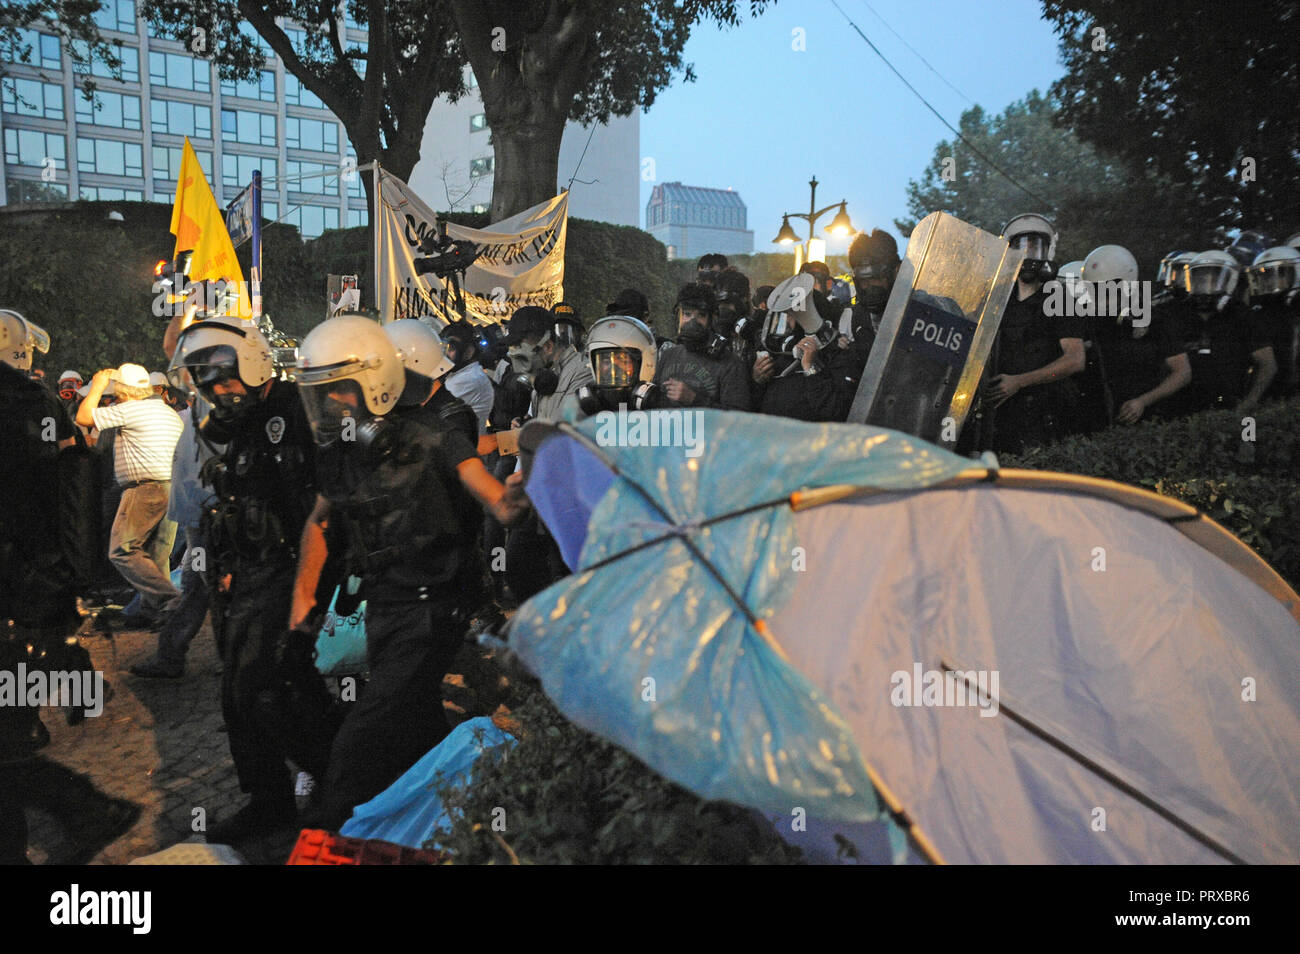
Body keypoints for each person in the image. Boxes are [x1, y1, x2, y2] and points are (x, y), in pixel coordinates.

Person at [286, 314, 529, 831]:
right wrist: (303, 601)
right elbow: (319, 522)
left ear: (374, 383)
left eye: (338, 390)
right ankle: (484, 801)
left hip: (432, 612)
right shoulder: (343, 452)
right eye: (320, 393)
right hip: (383, 609)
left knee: (360, 743)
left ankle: (331, 833)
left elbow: (496, 503)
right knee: (417, 726)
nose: (328, 405)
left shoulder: (438, 436)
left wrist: (516, 495)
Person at [167, 317, 336, 842]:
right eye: (205, 381)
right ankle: (271, 798)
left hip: (290, 569)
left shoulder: (294, 411)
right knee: (241, 690)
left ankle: (337, 781)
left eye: (223, 377)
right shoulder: (236, 424)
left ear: (254, 362)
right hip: (247, 574)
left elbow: (321, 511)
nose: (217, 390)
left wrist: (312, 596)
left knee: (266, 687)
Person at [0, 311, 96, 864]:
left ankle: (81, 808)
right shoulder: (34, 405)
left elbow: (49, 495)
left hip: (24, 580)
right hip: (32, 582)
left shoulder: (31, 406)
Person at [76, 362, 184, 628]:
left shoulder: (133, 409)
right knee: (157, 556)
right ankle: (152, 614)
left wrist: (98, 386)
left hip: (145, 488)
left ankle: (173, 601)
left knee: (122, 550)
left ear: (123, 392)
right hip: (172, 488)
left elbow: (83, 418)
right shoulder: (166, 412)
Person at [984, 213, 1086, 454]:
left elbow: (1076, 359)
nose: (1028, 255)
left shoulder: (1060, 297)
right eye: (1021, 247)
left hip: (1044, 414)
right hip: (999, 414)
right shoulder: (997, 300)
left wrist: (1019, 382)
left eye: (1036, 247)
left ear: (1048, 253)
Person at [1082, 244, 1191, 425]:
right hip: (1101, 423)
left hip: (1152, 421)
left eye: (1107, 289)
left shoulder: (1155, 318)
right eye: (1094, 289)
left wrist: (1143, 401)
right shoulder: (1089, 320)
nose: (1100, 297)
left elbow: (1183, 373)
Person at [1174, 250, 1276, 414]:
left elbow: (1268, 364)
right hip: (1183, 407)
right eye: (1200, 279)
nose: (1204, 285)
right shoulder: (1181, 315)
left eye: (1212, 279)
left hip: (1228, 406)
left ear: (1231, 280)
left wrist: (1249, 402)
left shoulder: (1243, 316)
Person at [654, 283, 751, 411]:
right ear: (679, 316)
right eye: (687, 314)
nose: (692, 321)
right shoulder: (668, 355)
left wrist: (694, 399)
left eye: (701, 315)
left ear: (712, 319)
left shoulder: (730, 364)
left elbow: (738, 417)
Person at [575, 314, 664, 416]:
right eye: (606, 360)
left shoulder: (662, 411)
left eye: (622, 360)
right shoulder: (582, 413)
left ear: (645, 362)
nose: (613, 368)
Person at [1245, 245, 1300, 399]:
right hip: (1271, 396)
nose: (1270, 281)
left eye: (1279, 274)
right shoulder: (1258, 314)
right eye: (1265, 276)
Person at [438, 320, 496, 434]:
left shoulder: (469, 379)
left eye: (450, 349)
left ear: (469, 351)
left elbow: (433, 411)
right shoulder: (458, 375)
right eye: (443, 348)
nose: (445, 354)